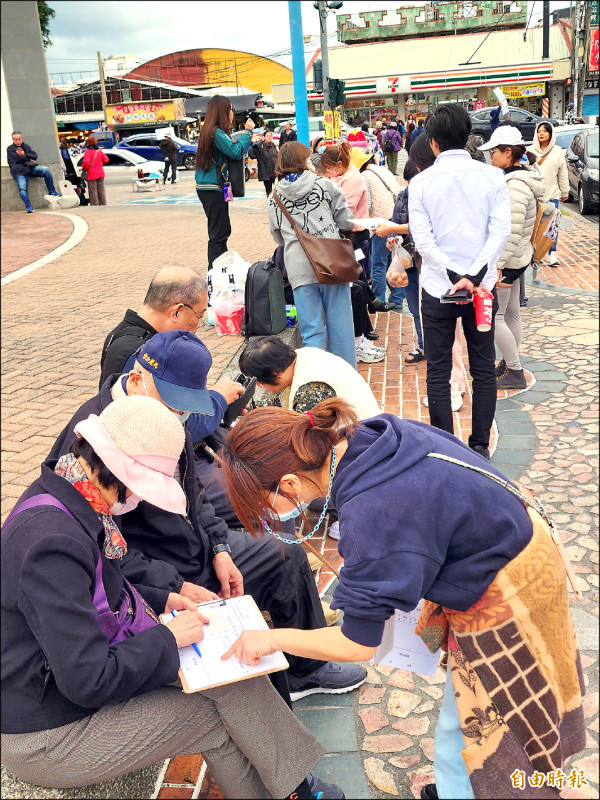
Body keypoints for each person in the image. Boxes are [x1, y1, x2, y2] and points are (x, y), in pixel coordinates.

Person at [219, 400, 586, 800]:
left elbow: (357, 643)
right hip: (516, 542)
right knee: (467, 713)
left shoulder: (370, 512)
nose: (268, 514)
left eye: (264, 502)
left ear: (290, 483)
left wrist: (271, 639)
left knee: (488, 726)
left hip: (508, 591)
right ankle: (461, 785)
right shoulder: (370, 437)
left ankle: (479, 787)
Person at [1, 395, 341, 800]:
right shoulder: (51, 544)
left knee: (232, 673)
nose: (143, 500)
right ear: (126, 475)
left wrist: (163, 598)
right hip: (47, 731)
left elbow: (92, 593)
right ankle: (290, 788)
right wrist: (168, 638)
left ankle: (295, 786)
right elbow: (87, 680)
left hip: (74, 683)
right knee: (215, 719)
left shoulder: (72, 495)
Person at [51, 331, 366, 703]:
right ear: (136, 378)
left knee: (283, 555)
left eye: (185, 405)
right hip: (154, 568)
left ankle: (306, 668)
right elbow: (105, 550)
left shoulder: (165, 416)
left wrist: (219, 547)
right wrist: (173, 584)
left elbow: (192, 494)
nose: (178, 414)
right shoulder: (93, 438)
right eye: (172, 402)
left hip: (195, 544)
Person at [408, 103, 511, 460]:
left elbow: (423, 240)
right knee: (483, 366)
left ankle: (448, 452)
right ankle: (480, 448)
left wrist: (455, 275)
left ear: (433, 143)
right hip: (482, 290)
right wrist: (475, 274)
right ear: (466, 137)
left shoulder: (420, 183)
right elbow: (501, 232)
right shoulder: (493, 177)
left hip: (439, 289)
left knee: (437, 370)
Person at [268, 141, 357, 368]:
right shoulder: (325, 185)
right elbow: (346, 221)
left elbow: (278, 237)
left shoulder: (274, 197)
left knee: (311, 332)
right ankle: (346, 383)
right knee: (341, 328)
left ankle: (317, 383)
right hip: (331, 262)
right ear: (302, 160)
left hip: (298, 268)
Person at [478, 126, 544, 390]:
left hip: (509, 260)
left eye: (494, 151)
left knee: (497, 317)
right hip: (518, 258)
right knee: (511, 314)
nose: (490, 156)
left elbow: (512, 230)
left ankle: (514, 370)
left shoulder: (515, 185)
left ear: (508, 152)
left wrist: (497, 265)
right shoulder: (522, 178)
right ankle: (509, 362)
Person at [99, 266, 215, 386]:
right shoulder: (145, 354)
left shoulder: (120, 333)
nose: (198, 325)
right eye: (199, 316)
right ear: (176, 312)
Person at [239, 336, 380, 420]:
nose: (258, 386)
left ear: (276, 373)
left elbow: (304, 440)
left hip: (363, 445)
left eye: (258, 381)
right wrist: (245, 407)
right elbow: (275, 405)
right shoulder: (297, 357)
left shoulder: (310, 391)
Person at [195, 96, 255, 269]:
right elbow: (235, 152)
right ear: (223, 111)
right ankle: (215, 272)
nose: (232, 113)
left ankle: (221, 268)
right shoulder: (216, 132)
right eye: (230, 109)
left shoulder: (210, 131)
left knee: (221, 230)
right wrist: (248, 133)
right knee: (218, 234)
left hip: (210, 187)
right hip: (212, 188)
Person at [350, 148, 405, 312]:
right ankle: (397, 299)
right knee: (392, 261)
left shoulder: (364, 177)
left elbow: (366, 205)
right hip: (395, 219)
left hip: (381, 222)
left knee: (378, 264)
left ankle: (378, 300)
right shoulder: (380, 170)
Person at [528, 121, 569, 267]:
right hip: (535, 196)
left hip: (552, 195)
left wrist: (565, 191)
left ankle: (552, 253)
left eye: (545, 131)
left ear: (551, 134)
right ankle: (534, 253)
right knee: (534, 226)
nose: (541, 133)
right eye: (539, 130)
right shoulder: (530, 151)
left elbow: (563, 173)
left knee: (552, 227)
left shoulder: (557, 151)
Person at [6, 131, 61, 213]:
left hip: (30, 169)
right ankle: (28, 206)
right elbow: (15, 160)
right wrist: (27, 158)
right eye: (15, 139)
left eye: (19, 139)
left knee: (46, 170)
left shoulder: (26, 146)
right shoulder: (10, 149)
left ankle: (52, 191)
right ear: (13, 140)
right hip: (19, 172)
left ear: (22, 138)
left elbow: (34, 156)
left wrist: (24, 154)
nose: (17, 141)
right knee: (22, 188)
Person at [247, 130, 278, 196]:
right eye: (267, 136)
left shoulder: (274, 145)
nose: (269, 137)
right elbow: (250, 151)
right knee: (268, 190)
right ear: (264, 137)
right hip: (266, 172)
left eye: (270, 136)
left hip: (275, 172)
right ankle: (270, 203)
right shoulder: (259, 146)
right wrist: (254, 158)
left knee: (278, 189)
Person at [81, 135, 109, 206]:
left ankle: (95, 205)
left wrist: (84, 168)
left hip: (91, 174)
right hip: (100, 173)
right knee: (101, 190)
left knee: (93, 192)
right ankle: (103, 204)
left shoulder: (87, 152)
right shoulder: (99, 151)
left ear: (88, 143)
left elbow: (86, 162)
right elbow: (106, 160)